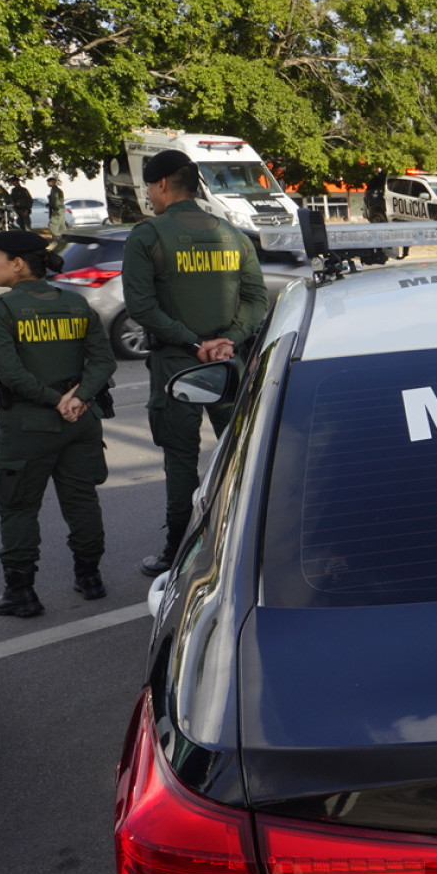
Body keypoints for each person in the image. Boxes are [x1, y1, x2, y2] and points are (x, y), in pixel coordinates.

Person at [122, 149, 269, 575]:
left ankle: (176, 550)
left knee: (180, 460)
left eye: (150, 186)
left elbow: (142, 306)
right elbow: (257, 298)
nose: (149, 194)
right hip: (229, 364)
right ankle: (249, 539)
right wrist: (229, 341)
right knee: (240, 454)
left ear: (163, 185)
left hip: (176, 366)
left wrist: (192, 344)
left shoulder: (148, 236)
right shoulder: (233, 234)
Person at [0, 229, 114, 617]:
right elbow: (103, 362)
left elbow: (10, 372)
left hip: (28, 428)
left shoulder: (0, 309)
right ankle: (90, 579)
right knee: (82, 500)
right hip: (81, 421)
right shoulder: (76, 304)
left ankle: (21, 594)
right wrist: (78, 398)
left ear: (18, 264)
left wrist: (56, 400)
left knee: (17, 507)